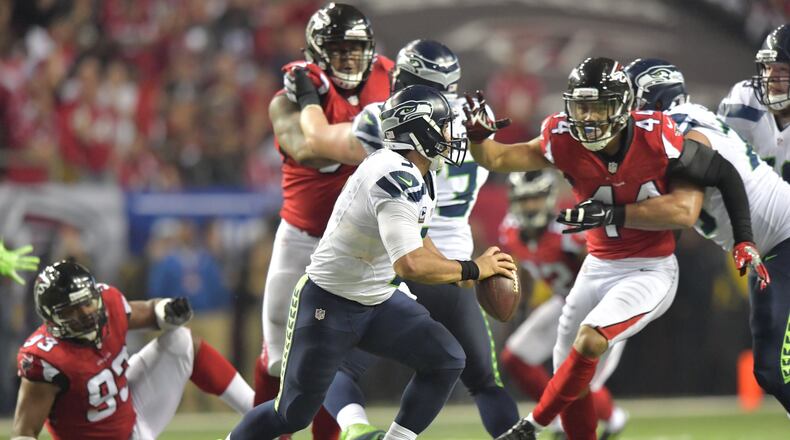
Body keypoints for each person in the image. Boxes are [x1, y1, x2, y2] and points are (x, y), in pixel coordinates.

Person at [463, 57, 763, 440]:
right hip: (596, 267)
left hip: (648, 268)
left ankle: (531, 425)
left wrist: (743, 237)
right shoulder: (563, 138)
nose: (588, 118)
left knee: (588, 342)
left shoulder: (656, 134)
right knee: (570, 384)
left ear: (623, 106)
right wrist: (477, 139)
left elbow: (720, 172)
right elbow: (498, 158)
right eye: (581, 106)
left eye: (599, 106)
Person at [226, 85, 516, 440]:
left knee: (446, 358)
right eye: (442, 126)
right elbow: (408, 265)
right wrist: (472, 268)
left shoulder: (418, 170)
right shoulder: (394, 176)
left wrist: (458, 273)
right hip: (330, 303)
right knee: (291, 414)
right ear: (418, 130)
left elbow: (417, 236)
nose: (450, 135)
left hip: (378, 300)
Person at [298, 39, 520, 440]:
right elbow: (500, 161)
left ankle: (355, 428)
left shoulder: (389, 116)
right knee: (483, 381)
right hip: (456, 268)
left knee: (339, 366)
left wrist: (307, 100)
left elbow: (316, 143)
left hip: (398, 265)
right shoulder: (472, 120)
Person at [256, 4, 394, 439]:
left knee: (330, 357)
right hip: (302, 237)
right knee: (278, 358)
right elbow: (307, 150)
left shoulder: (391, 79)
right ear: (317, 53)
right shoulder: (288, 100)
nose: (350, 58)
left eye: (356, 48)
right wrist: (373, 136)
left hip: (358, 244)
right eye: (338, 49)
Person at [626, 58, 790, 413]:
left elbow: (683, 210)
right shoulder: (690, 121)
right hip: (770, 249)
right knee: (771, 367)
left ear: (648, 101)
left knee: (773, 367)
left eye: (629, 101)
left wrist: (613, 214)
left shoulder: (683, 130)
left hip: (782, 239)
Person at [12, 260, 253, 440]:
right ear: (51, 317)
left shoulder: (108, 304)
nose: (85, 312)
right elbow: (24, 432)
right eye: (71, 309)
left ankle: (260, 412)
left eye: (87, 302)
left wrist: (167, 310)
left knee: (180, 341)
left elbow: (149, 312)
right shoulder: (44, 360)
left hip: (132, 414)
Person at [498, 171, 627, 439]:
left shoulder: (569, 230)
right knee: (515, 357)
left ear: (548, 198)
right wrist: (518, 305)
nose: (529, 206)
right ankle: (558, 417)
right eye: (524, 200)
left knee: (581, 384)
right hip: (564, 301)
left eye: (534, 198)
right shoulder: (509, 230)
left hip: (602, 307)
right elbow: (521, 271)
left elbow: (602, 269)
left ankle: (613, 417)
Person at [719, 23, 790, 183]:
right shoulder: (746, 100)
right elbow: (717, 167)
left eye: (783, 69)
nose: (771, 77)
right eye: (768, 66)